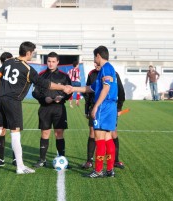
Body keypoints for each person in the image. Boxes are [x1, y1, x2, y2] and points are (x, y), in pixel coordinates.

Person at [0, 41, 72, 174]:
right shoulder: (27, 69)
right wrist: (63, 87)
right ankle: (20, 167)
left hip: (0, 99)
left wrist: (2, 90)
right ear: (28, 53)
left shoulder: (8, 62)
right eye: (33, 52)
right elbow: (45, 84)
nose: (33, 55)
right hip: (13, 101)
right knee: (15, 133)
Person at [70, 46, 118, 178]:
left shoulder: (106, 68)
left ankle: (98, 170)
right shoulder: (105, 69)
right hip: (110, 106)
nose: (94, 60)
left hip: (104, 106)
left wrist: (96, 106)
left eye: (94, 57)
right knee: (108, 138)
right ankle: (109, 170)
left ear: (98, 55)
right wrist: (72, 89)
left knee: (99, 138)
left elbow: (106, 89)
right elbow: (91, 88)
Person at [32, 52, 72, 168]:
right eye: (49, 61)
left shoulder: (64, 76)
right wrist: (44, 98)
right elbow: (35, 92)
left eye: (53, 61)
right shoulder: (41, 76)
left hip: (59, 108)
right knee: (45, 133)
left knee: (59, 133)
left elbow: (70, 92)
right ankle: (42, 160)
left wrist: (63, 97)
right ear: (46, 62)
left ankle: (62, 159)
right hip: (45, 108)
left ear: (58, 62)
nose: (51, 64)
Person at [82, 65, 125, 170]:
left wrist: (118, 108)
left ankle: (115, 161)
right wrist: (87, 110)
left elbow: (121, 91)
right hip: (95, 109)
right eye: (95, 64)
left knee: (112, 134)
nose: (96, 65)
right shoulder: (91, 74)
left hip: (108, 109)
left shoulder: (113, 74)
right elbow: (87, 93)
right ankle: (89, 161)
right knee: (93, 133)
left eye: (97, 63)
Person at [0, 52, 17, 167]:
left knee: (15, 131)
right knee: (2, 130)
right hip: (2, 105)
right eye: (7, 61)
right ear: (2, 63)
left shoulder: (15, 74)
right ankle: (1, 159)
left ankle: (16, 159)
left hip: (13, 105)